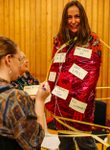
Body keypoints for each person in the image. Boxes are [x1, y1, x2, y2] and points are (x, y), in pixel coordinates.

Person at [45, 1, 102, 150]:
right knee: (64, 142)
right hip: (61, 100)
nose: (73, 21)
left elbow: (92, 75)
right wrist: (51, 94)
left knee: (85, 143)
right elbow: (54, 68)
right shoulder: (59, 39)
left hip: (80, 103)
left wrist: (79, 105)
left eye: (77, 16)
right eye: (69, 17)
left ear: (83, 18)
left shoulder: (91, 39)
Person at [0, 36, 50, 150]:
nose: (20, 63)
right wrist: (40, 100)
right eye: (19, 59)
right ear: (8, 60)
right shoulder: (15, 98)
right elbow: (35, 142)